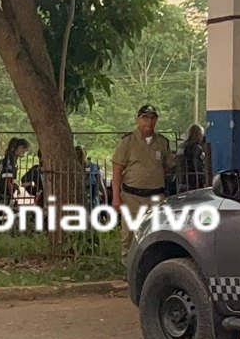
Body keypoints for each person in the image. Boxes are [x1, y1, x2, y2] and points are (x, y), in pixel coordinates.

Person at [112, 104, 173, 258]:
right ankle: (127, 265)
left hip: (156, 196)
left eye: (152, 118)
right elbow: (117, 170)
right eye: (145, 118)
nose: (149, 122)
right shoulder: (128, 142)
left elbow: (168, 167)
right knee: (129, 234)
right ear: (138, 120)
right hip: (132, 195)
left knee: (156, 231)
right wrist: (116, 197)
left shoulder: (162, 142)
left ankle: (152, 262)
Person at [0, 137, 29, 206]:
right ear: (20, 148)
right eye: (25, 151)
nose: (24, 154)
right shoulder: (10, 160)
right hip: (3, 193)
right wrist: (12, 195)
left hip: (4, 192)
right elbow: (8, 179)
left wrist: (15, 186)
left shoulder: (11, 158)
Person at [176, 123, 209, 193]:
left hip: (180, 182)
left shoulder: (181, 146)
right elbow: (198, 165)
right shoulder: (196, 148)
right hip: (193, 183)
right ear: (198, 135)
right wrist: (204, 179)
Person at [76, 146, 105, 210]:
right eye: (78, 155)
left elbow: (100, 184)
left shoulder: (94, 167)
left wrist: (105, 196)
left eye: (81, 154)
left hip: (92, 198)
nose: (80, 156)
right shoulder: (73, 168)